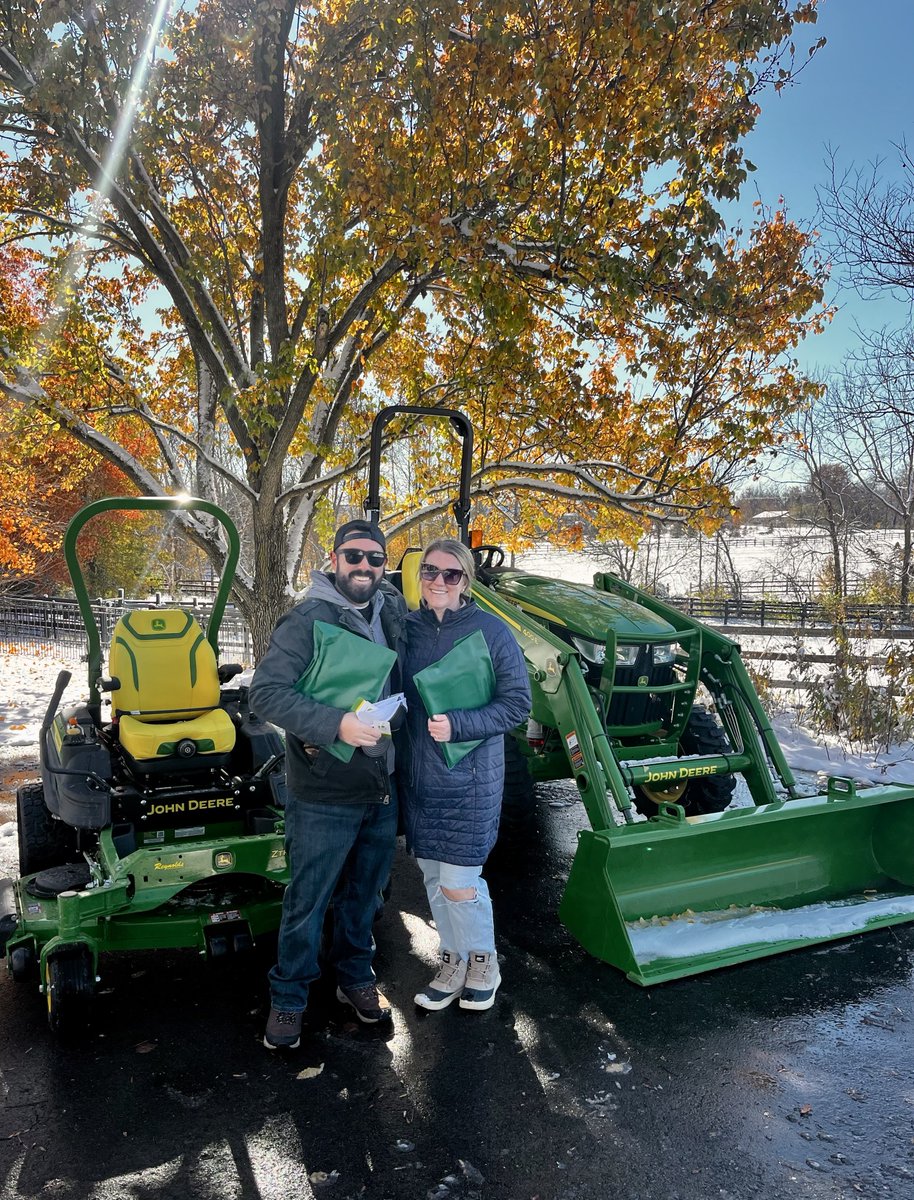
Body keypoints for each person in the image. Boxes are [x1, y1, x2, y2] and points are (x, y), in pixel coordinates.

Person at [250, 519, 407, 1049]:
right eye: (354, 556)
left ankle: (355, 979)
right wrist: (336, 725)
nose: (364, 567)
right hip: (322, 790)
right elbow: (266, 694)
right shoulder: (307, 619)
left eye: (375, 559)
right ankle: (289, 998)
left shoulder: (393, 611)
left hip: (380, 784)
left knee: (365, 898)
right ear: (334, 559)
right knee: (308, 902)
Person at [401, 538, 531, 1012]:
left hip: (470, 779)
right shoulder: (407, 630)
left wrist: (460, 723)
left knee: (461, 881)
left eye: (450, 574)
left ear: (466, 580)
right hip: (419, 780)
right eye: (430, 571)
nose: (439, 581)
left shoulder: (491, 631)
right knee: (435, 878)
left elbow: (518, 704)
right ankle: (452, 960)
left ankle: (484, 963)